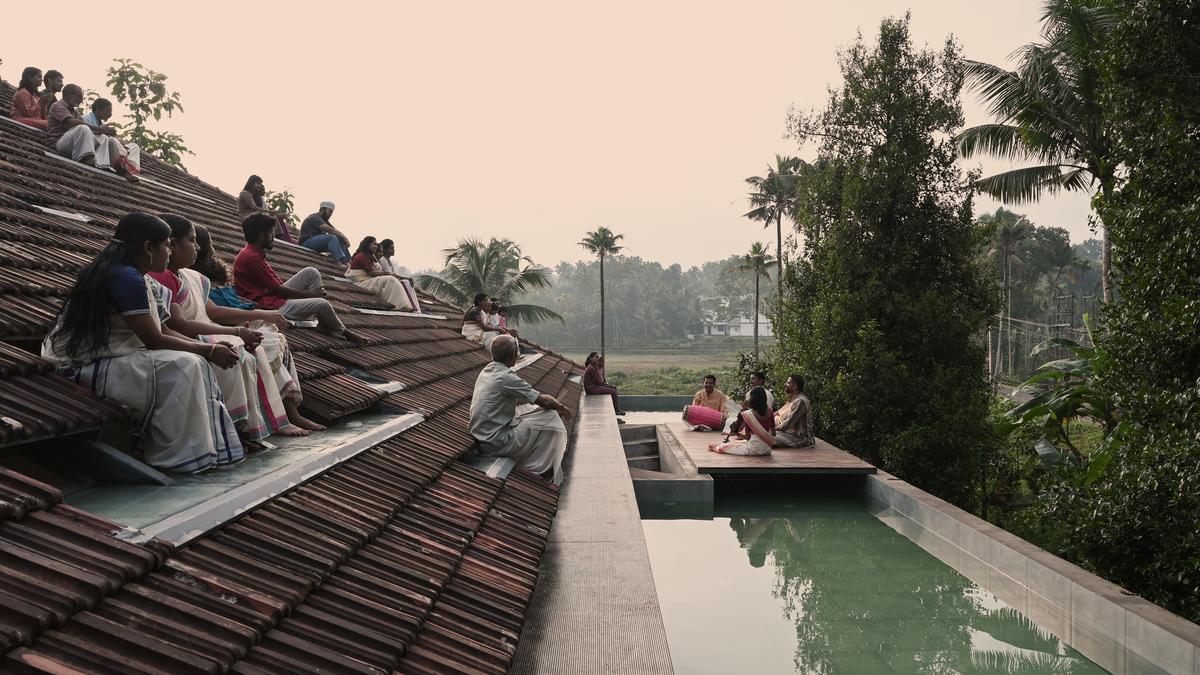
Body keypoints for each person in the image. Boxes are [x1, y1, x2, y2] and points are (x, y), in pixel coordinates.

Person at [41, 212, 244, 473]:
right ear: (148, 247)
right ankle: (176, 458)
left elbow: (164, 330)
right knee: (185, 366)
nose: (169, 253)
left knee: (194, 362)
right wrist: (209, 349)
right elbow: (154, 339)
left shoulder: (142, 278)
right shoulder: (125, 277)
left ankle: (198, 453)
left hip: (114, 357)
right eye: (167, 246)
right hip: (82, 364)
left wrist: (209, 349)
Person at [151, 215, 321, 441]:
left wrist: (259, 315)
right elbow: (180, 324)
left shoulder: (191, 276)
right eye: (193, 241)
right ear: (172, 244)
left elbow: (212, 311)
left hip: (207, 330)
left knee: (261, 342)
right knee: (243, 349)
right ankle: (242, 428)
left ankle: (278, 417)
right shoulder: (161, 277)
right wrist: (237, 331)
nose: (200, 248)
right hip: (190, 337)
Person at [234, 214, 360, 340]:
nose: (273, 237)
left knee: (311, 272)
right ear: (261, 236)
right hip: (268, 306)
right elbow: (278, 290)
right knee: (323, 303)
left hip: (272, 297)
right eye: (271, 233)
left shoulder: (253, 252)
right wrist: (311, 296)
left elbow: (278, 286)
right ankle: (342, 331)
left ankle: (323, 322)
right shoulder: (251, 257)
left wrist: (308, 297)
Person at [469, 335, 572, 484]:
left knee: (530, 408)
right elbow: (544, 401)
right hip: (496, 442)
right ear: (513, 355)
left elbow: (526, 398)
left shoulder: (487, 371)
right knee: (550, 416)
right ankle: (538, 467)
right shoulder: (506, 377)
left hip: (482, 436)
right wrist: (562, 407)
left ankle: (533, 458)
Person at [45, 85, 138, 180]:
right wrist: (100, 129)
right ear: (70, 95)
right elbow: (71, 122)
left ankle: (114, 167)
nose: (81, 100)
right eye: (79, 96)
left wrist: (104, 132)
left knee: (105, 138)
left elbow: (93, 131)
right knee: (83, 128)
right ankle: (86, 158)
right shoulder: (58, 105)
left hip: (73, 144)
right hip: (59, 143)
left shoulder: (75, 112)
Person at [346, 236, 413, 310]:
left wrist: (387, 274)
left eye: (376, 244)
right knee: (391, 280)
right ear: (368, 245)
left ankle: (400, 305)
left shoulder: (370, 256)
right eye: (374, 244)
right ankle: (398, 306)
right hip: (362, 283)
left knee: (392, 279)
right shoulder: (362, 256)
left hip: (368, 280)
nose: (376, 246)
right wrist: (387, 274)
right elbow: (372, 273)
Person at [708, 387, 775, 456]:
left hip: (753, 450)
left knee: (720, 447)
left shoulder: (748, 414)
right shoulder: (770, 412)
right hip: (767, 450)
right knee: (737, 443)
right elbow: (773, 434)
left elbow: (747, 437)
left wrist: (737, 434)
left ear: (753, 399)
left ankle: (717, 447)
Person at [81, 98, 141, 173]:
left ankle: (129, 164)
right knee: (108, 139)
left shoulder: (102, 124)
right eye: (107, 111)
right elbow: (86, 136)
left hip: (106, 148)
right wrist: (102, 132)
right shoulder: (85, 119)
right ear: (98, 109)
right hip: (93, 150)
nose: (110, 114)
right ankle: (121, 161)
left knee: (134, 146)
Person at [237, 176, 294, 243]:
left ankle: (277, 236)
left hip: (254, 214)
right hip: (246, 215)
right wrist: (269, 211)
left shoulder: (256, 196)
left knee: (273, 218)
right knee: (264, 218)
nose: (259, 186)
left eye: (260, 184)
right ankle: (270, 235)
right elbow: (254, 207)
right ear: (252, 183)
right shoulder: (245, 193)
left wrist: (273, 214)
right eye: (258, 184)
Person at [377, 239, 421, 312]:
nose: (393, 250)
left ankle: (413, 305)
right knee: (406, 282)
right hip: (389, 282)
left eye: (393, 248)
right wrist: (406, 278)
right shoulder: (383, 260)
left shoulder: (390, 261)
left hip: (394, 280)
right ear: (385, 250)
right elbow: (391, 275)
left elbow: (395, 274)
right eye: (391, 248)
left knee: (407, 282)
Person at [774, 374, 815, 448]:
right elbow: (778, 414)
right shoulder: (793, 400)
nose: (785, 384)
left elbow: (788, 424)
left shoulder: (801, 401)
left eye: (788, 383)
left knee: (765, 437)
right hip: (789, 435)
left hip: (799, 439)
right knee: (763, 435)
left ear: (795, 386)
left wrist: (771, 429)